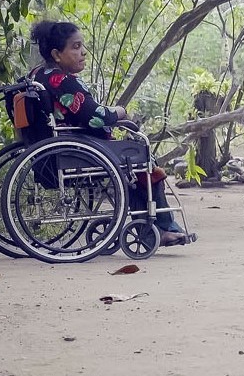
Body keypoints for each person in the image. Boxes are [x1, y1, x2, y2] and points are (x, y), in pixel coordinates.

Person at [29, 20, 190, 247]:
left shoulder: (38, 75)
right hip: (77, 149)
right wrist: (120, 112)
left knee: (131, 166)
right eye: (75, 47)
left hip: (60, 147)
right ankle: (161, 227)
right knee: (143, 161)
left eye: (82, 46)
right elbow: (94, 116)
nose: (83, 52)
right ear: (57, 54)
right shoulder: (61, 80)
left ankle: (152, 226)